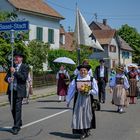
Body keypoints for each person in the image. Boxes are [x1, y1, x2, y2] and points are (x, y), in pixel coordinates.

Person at [66, 64, 98, 139]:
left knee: (88, 115)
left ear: (87, 71)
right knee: (79, 115)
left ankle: (87, 130)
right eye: (81, 70)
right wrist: (68, 100)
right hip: (78, 99)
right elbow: (71, 90)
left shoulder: (91, 79)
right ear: (79, 71)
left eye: (84, 70)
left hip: (88, 99)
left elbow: (96, 91)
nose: (83, 72)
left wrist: (89, 91)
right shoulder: (76, 79)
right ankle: (82, 132)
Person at [4, 51, 29, 135]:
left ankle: (16, 127)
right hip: (11, 91)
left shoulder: (24, 67)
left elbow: (23, 78)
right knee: (12, 108)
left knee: (18, 109)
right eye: (15, 57)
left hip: (19, 91)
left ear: (21, 58)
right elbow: (5, 78)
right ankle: (19, 121)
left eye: (18, 57)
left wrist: (15, 72)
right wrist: (8, 79)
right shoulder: (12, 66)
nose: (16, 58)